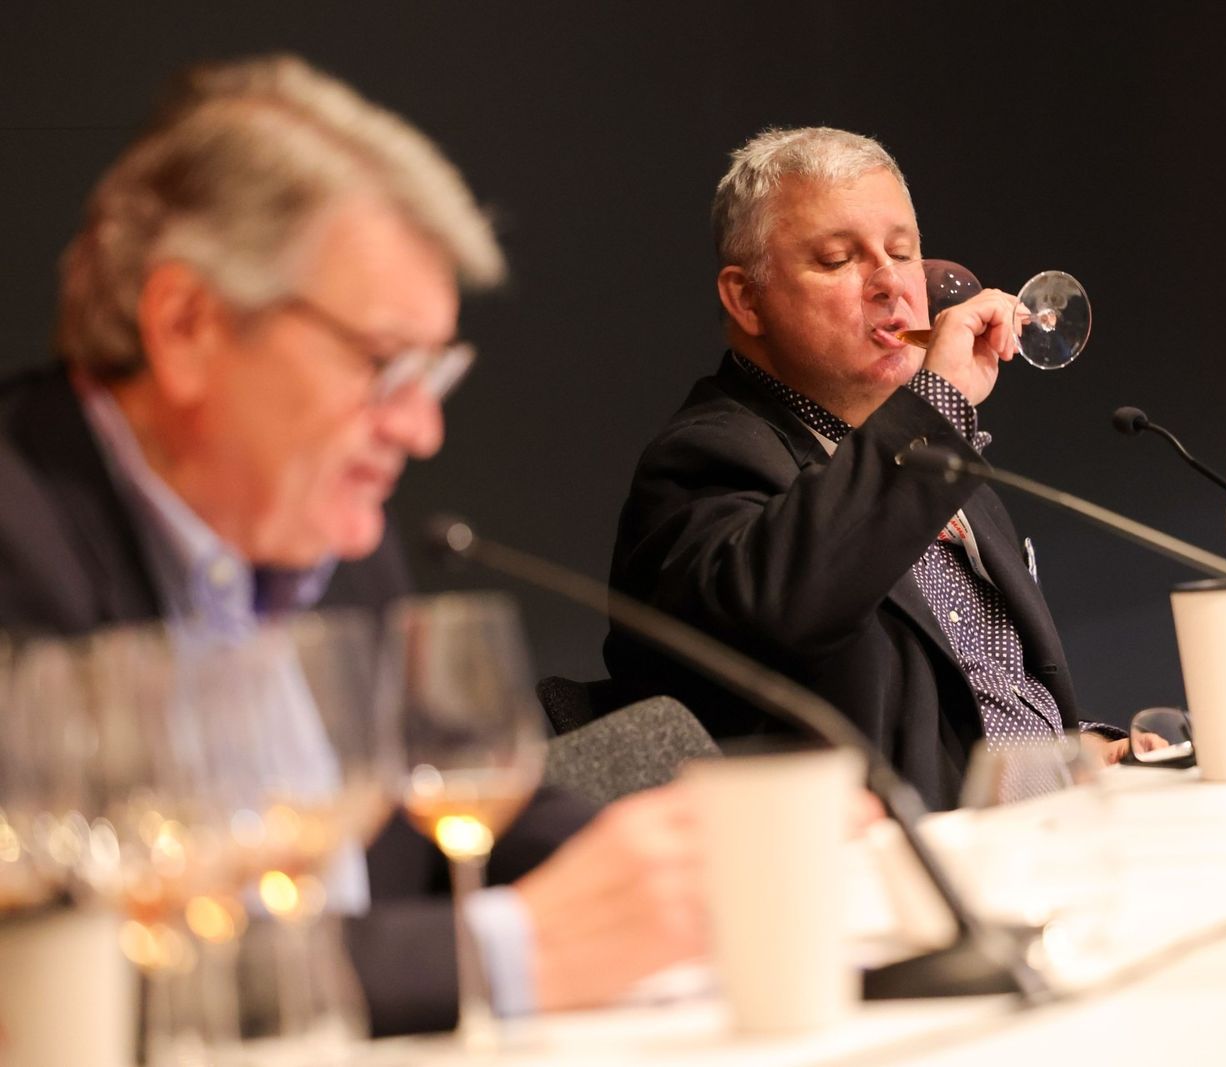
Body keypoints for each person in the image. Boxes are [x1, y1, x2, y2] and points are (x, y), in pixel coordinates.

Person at [0, 54, 702, 1033]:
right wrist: (496, 953)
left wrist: (677, 877)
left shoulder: (328, 537)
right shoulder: (20, 534)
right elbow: (61, 971)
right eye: (384, 364)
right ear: (188, 324)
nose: (422, 429)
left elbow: (459, 810)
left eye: (435, 375)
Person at [606, 127, 1125, 811]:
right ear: (746, 298)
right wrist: (933, 410)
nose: (889, 283)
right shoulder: (703, 462)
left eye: (902, 252)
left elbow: (986, 696)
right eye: (837, 259)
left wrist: (1082, 752)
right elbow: (790, 608)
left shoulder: (927, 446)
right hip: (879, 858)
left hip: (1044, 827)